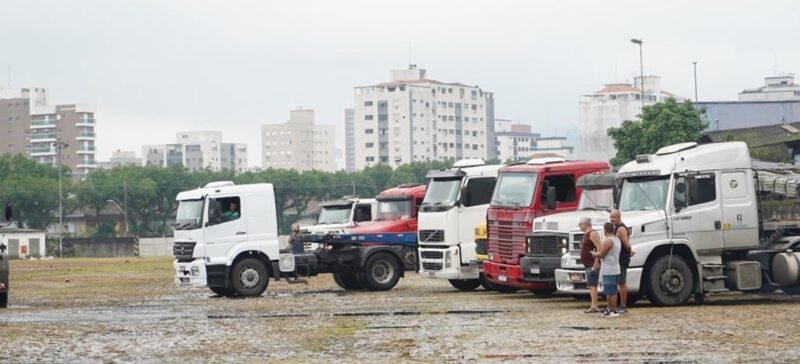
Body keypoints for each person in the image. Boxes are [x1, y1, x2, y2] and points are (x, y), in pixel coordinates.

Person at [592, 222, 621, 318]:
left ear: (605, 230)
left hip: (609, 269)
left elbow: (601, 254)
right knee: (612, 290)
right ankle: (610, 309)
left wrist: (594, 253)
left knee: (610, 291)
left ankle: (613, 310)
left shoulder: (608, 241)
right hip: (615, 267)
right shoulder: (617, 240)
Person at [610, 210, 634, 314]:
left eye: (614, 217)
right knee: (619, 282)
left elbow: (627, 244)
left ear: (619, 217)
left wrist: (629, 252)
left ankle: (623, 306)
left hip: (622, 258)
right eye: (610, 217)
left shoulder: (621, 229)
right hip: (617, 258)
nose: (612, 219)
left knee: (622, 282)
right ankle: (618, 305)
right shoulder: (616, 228)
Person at [578, 217, 602, 313]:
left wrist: (596, 262)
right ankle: (593, 305)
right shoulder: (586, 235)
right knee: (591, 285)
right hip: (587, 264)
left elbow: (599, 248)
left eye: (580, 224)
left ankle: (594, 306)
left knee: (592, 285)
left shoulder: (592, 234)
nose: (579, 226)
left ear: (586, 224)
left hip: (592, 263)